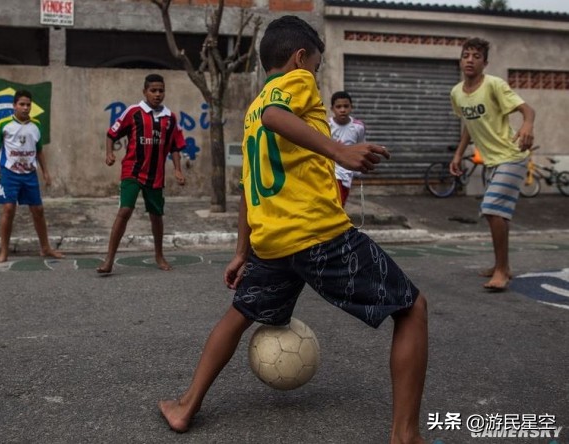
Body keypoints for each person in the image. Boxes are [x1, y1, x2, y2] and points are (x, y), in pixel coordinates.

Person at [158, 16, 429, 444]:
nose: (316, 76)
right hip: (317, 234)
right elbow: (275, 115)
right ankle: (406, 434)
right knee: (412, 309)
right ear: (300, 57)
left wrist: (241, 251)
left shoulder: (249, 112)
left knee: (239, 315)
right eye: (317, 66)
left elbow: (249, 185)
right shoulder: (291, 85)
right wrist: (340, 149)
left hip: (272, 242)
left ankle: (185, 405)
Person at [449, 37, 535, 292]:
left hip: (512, 156)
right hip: (492, 161)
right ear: (461, 59)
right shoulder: (456, 93)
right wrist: (458, 155)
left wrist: (527, 126)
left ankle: (501, 271)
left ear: (485, 63)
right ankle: (503, 265)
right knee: (498, 215)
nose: (470, 60)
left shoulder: (494, 84)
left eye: (476, 56)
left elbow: (528, 110)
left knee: (491, 209)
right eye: (466, 55)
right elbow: (468, 125)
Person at [96, 74, 186, 273]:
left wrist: (178, 170)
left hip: (156, 175)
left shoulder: (170, 118)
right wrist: (109, 153)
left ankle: (159, 255)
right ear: (144, 92)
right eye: (153, 90)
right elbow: (112, 133)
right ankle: (109, 259)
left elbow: (175, 147)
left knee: (156, 215)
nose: (157, 94)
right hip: (132, 170)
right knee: (125, 211)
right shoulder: (133, 112)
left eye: (161, 90)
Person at [0, 89, 63, 263]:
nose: (25, 108)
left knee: (38, 210)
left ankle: (45, 248)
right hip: (9, 173)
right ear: (14, 106)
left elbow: (39, 151)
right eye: (22, 104)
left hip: (29, 174)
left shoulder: (36, 125)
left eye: (28, 104)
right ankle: (4, 251)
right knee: (8, 209)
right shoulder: (4, 124)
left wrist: (45, 172)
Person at [329, 90, 366, 205]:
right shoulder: (327, 125)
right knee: (334, 204)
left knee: (340, 205)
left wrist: (359, 167)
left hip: (347, 173)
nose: (342, 110)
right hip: (331, 171)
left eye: (346, 106)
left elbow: (361, 146)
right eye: (338, 107)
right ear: (332, 109)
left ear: (351, 107)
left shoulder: (358, 127)